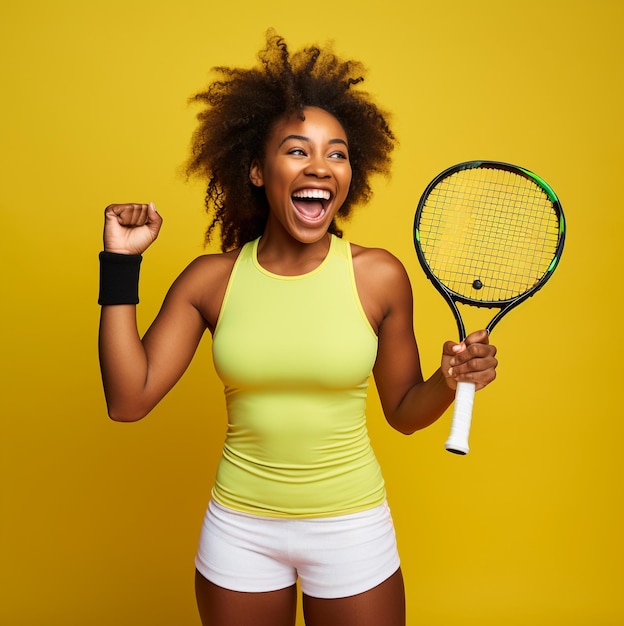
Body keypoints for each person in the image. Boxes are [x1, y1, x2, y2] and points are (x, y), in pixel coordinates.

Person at [97, 31, 498, 626]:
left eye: (337, 152)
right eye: (297, 150)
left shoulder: (378, 276)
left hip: (351, 529)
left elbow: (404, 412)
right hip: (240, 532)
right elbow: (128, 400)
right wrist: (120, 264)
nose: (320, 167)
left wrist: (449, 379)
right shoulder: (211, 281)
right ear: (257, 171)